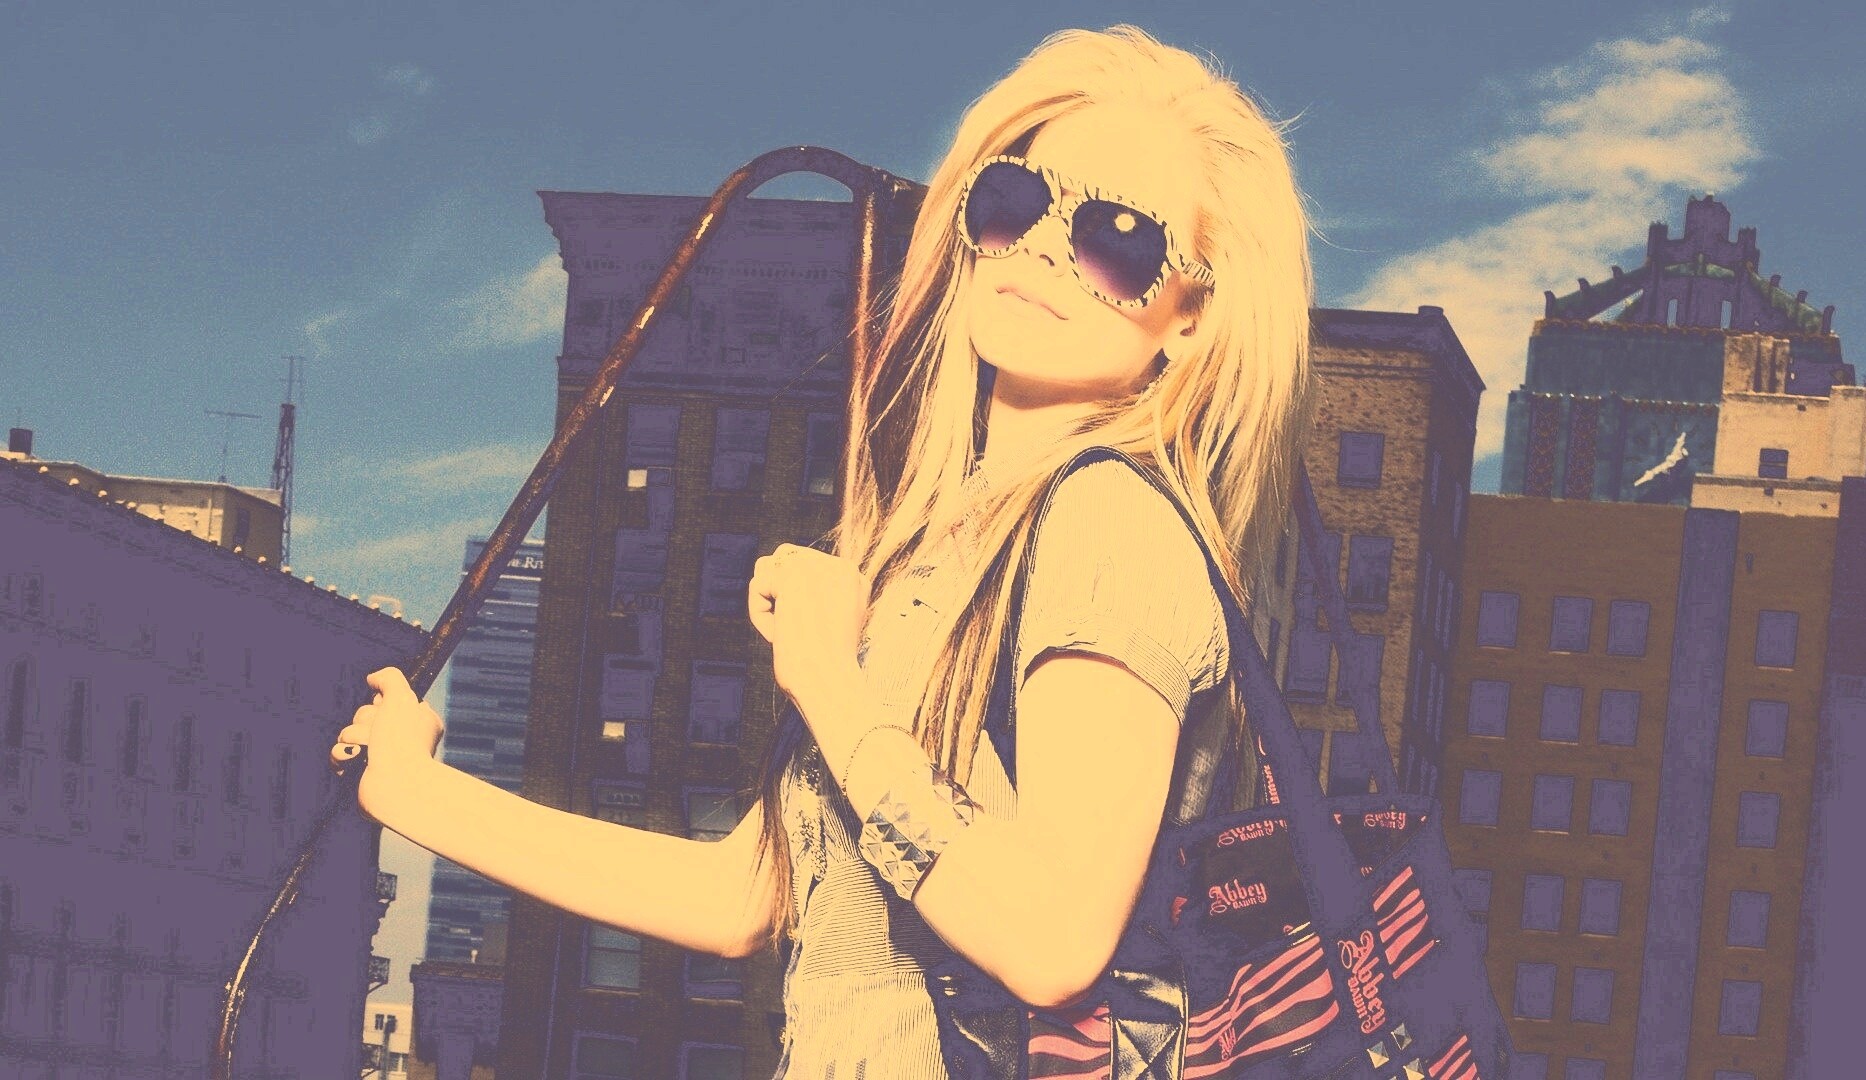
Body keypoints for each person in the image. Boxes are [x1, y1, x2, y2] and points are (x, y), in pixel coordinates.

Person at [331, 23, 1313, 1076]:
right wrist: (419, 795)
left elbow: (1051, 939)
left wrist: (830, 680)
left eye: (1117, 238)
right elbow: (745, 896)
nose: (1039, 246)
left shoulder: (1109, 519)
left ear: (1191, 315)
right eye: (1016, 199)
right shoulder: (951, 544)